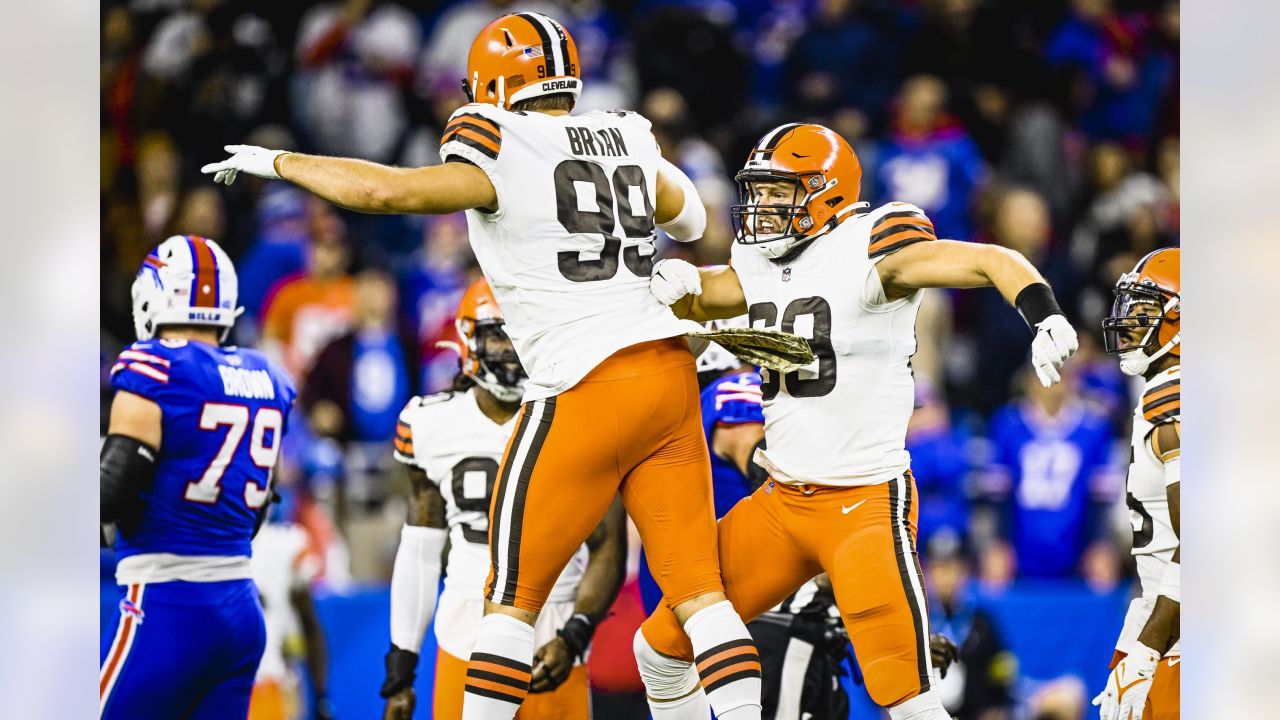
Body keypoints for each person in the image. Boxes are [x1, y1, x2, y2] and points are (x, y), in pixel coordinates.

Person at [203, 14, 763, 720]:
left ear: (493, 85)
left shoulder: (497, 138)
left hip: (584, 380)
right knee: (701, 596)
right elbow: (688, 223)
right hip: (668, 375)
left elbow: (387, 193)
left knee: (509, 603)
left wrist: (282, 162)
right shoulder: (626, 130)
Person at [641, 122, 1078, 720]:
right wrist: (674, 288)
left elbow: (987, 259)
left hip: (861, 507)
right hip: (781, 503)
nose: (761, 207)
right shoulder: (761, 258)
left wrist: (1042, 312)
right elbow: (719, 294)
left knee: (910, 703)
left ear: (824, 193)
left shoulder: (873, 247)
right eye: (759, 191)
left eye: (777, 192)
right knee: (659, 649)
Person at [379, 277, 627, 720]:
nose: (512, 346)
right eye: (499, 333)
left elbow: (607, 539)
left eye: (522, 330)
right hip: (464, 628)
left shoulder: (581, 415)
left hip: (552, 630)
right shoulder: (432, 422)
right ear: (469, 337)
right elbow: (419, 551)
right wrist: (402, 663)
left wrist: (575, 634)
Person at [100, 235, 297, 718]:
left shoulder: (154, 367)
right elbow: (254, 511)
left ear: (153, 295)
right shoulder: (268, 377)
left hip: (165, 604)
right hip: (239, 608)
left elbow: (111, 495)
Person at [1093, 248, 1180, 720]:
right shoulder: (1163, 389)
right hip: (1166, 619)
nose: (1126, 323)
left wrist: (1146, 650)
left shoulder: (1177, 397)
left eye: (1143, 312)